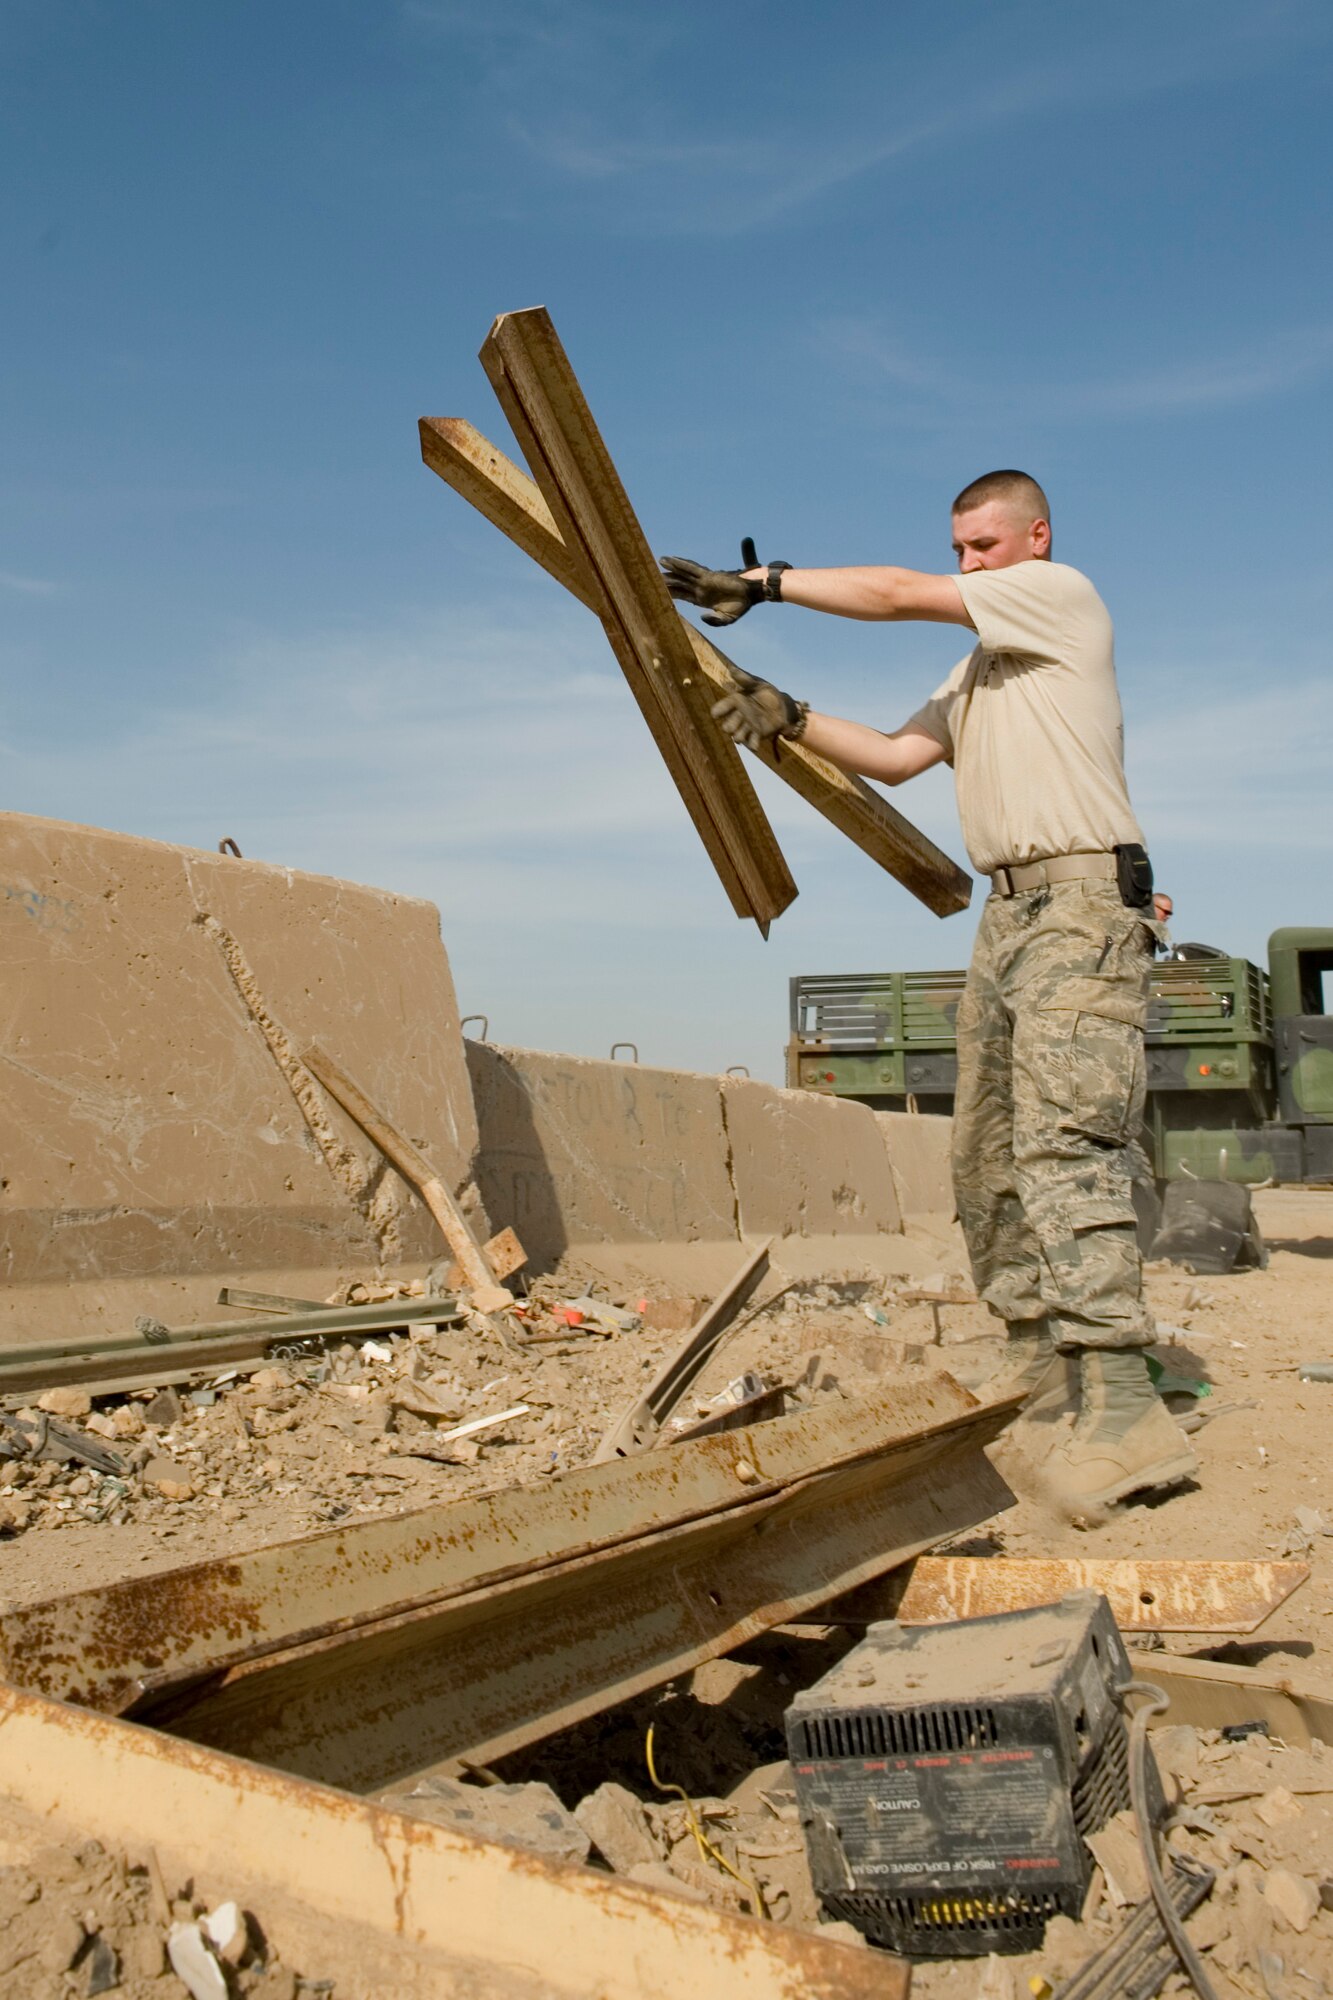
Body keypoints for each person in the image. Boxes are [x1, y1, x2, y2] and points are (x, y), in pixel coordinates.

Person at [660, 472, 1197, 1516]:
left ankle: (1128, 1414)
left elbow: (898, 591)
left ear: (1034, 538)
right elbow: (898, 758)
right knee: (986, 1156)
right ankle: (1052, 1386)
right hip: (1010, 919)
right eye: (959, 548)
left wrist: (762, 582)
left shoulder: (1062, 597)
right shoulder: (977, 675)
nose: (969, 565)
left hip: (1080, 907)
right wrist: (786, 714)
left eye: (985, 546)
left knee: (1063, 1150)